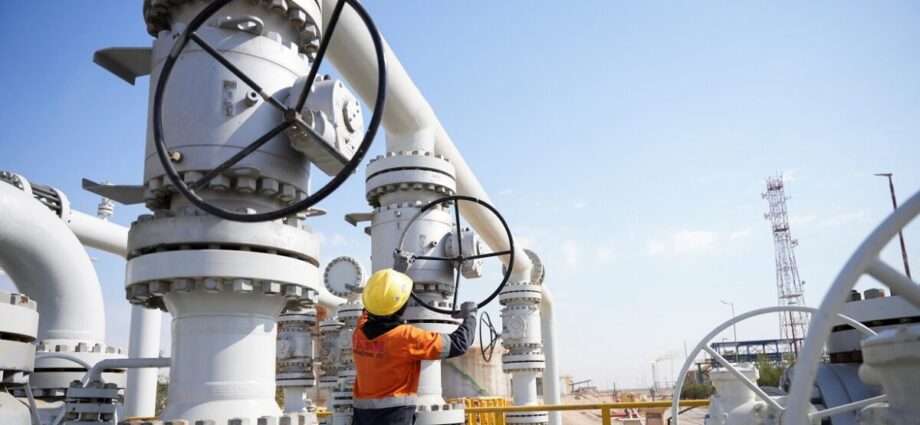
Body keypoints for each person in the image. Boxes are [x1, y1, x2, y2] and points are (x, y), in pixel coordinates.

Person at [352, 268, 478, 425]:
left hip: (361, 417)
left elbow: (376, 303)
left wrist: (396, 274)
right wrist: (470, 316)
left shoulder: (359, 332)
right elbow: (459, 343)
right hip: (393, 418)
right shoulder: (405, 338)